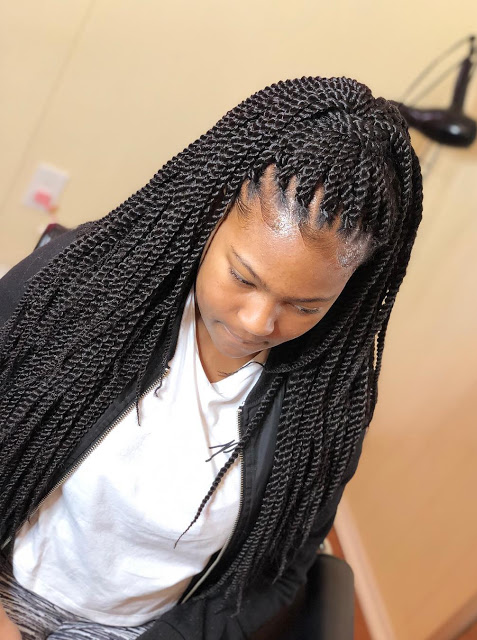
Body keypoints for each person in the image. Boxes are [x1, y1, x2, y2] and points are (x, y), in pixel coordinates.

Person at [0, 76, 423, 639]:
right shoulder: (83, 284)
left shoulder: (326, 409)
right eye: (243, 278)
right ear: (211, 214)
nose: (257, 323)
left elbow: (275, 578)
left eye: (305, 306)